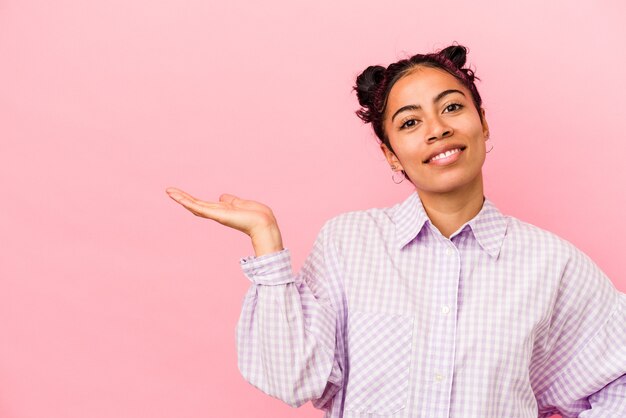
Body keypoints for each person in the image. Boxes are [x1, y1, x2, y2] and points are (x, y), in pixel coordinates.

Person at [165, 44, 626, 417]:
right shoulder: (349, 244)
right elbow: (290, 379)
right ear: (390, 154)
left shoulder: (552, 263)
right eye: (410, 122)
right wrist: (266, 242)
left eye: (451, 107)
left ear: (483, 124)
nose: (437, 129)